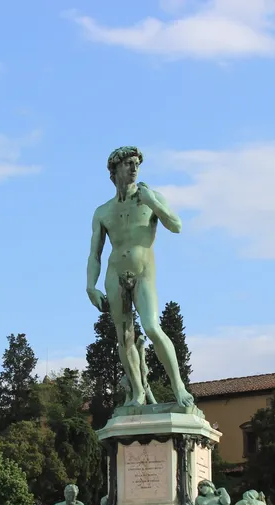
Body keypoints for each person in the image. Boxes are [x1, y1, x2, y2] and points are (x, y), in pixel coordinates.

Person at [85, 146, 196, 409]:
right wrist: (90, 286)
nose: (134, 168)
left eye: (137, 163)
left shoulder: (150, 198)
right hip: (114, 274)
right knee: (124, 336)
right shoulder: (102, 211)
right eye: (128, 163)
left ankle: (178, 387)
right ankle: (137, 392)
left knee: (151, 327)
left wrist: (153, 203)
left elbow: (176, 226)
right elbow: (94, 253)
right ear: (114, 170)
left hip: (143, 271)